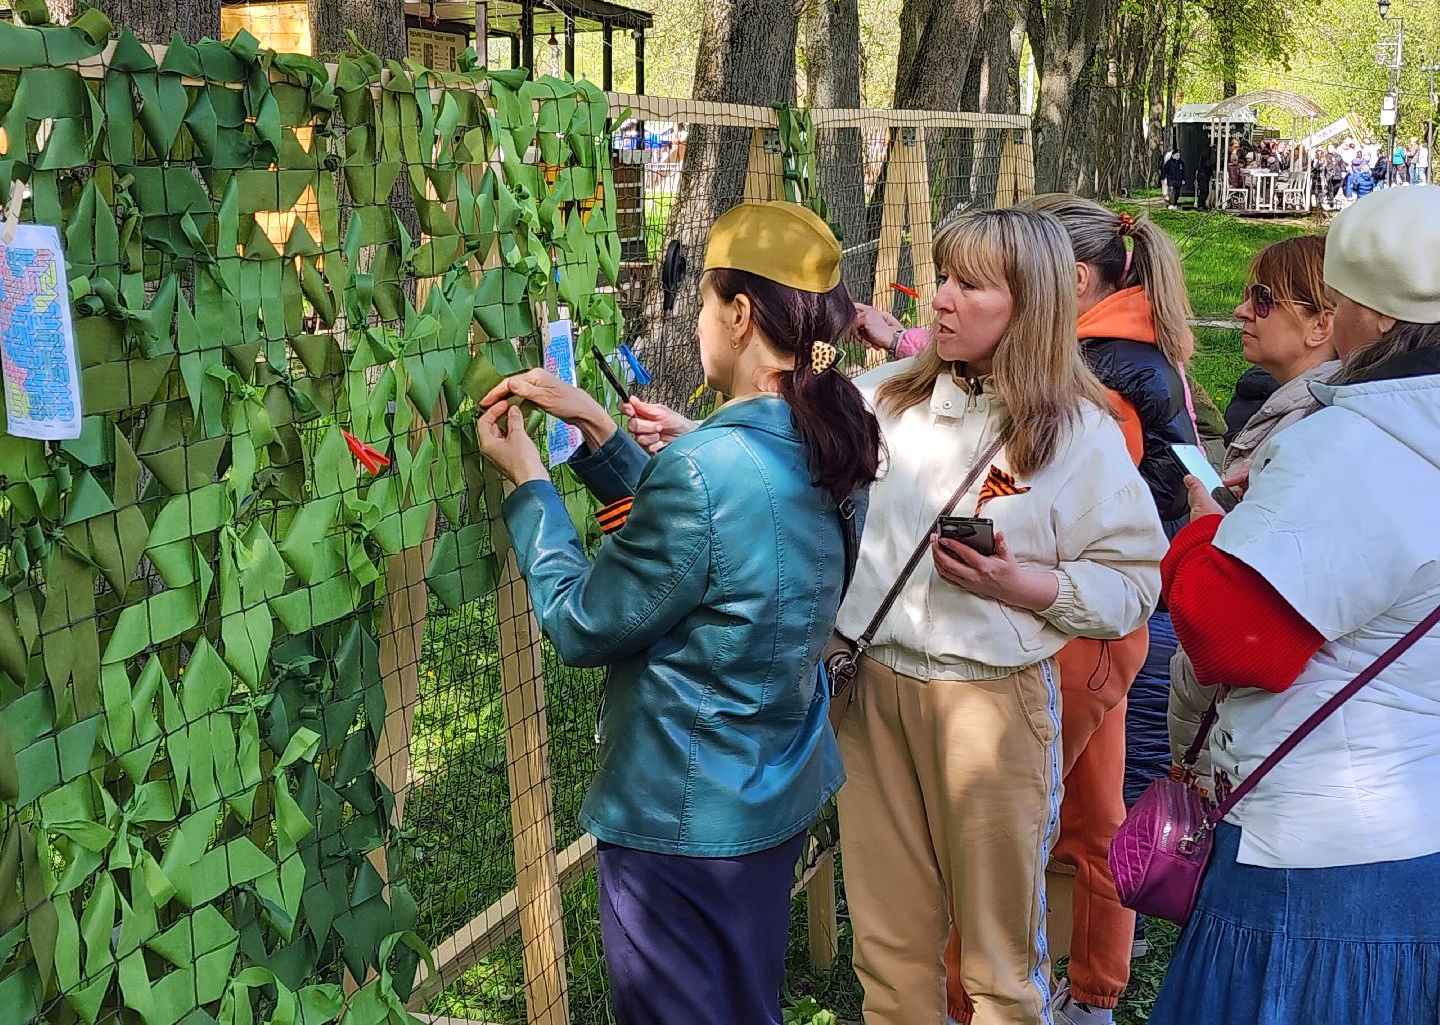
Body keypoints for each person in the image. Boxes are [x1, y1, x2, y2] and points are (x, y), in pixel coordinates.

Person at [473, 200, 882, 1025]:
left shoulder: (706, 467)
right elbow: (728, 550)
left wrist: (531, 487)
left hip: (681, 817)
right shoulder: (835, 433)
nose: (696, 321)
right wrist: (597, 426)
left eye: (701, 302)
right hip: (769, 793)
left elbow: (584, 621)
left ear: (738, 314)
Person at [856, 199, 1195, 1024]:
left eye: (970, 285)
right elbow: (792, 473)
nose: (938, 298)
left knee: (998, 964)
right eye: (943, 277)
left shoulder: (1081, 432)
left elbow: (1135, 580)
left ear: (1033, 305)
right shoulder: (880, 399)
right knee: (889, 955)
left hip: (991, 703)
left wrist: (1026, 587)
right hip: (870, 692)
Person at [1151, 186, 1440, 1025]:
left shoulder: (1351, 443)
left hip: (1314, 861)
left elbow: (1234, 637)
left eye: (1343, 300)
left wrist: (1207, 533)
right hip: (1417, 824)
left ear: (1377, 317)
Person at [1167, 235, 1338, 794]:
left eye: (1263, 299)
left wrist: (1207, 527)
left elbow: (1249, 611)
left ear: (1320, 325)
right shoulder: (1293, 412)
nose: (1243, 310)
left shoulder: (1308, 433)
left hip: (1253, 733)